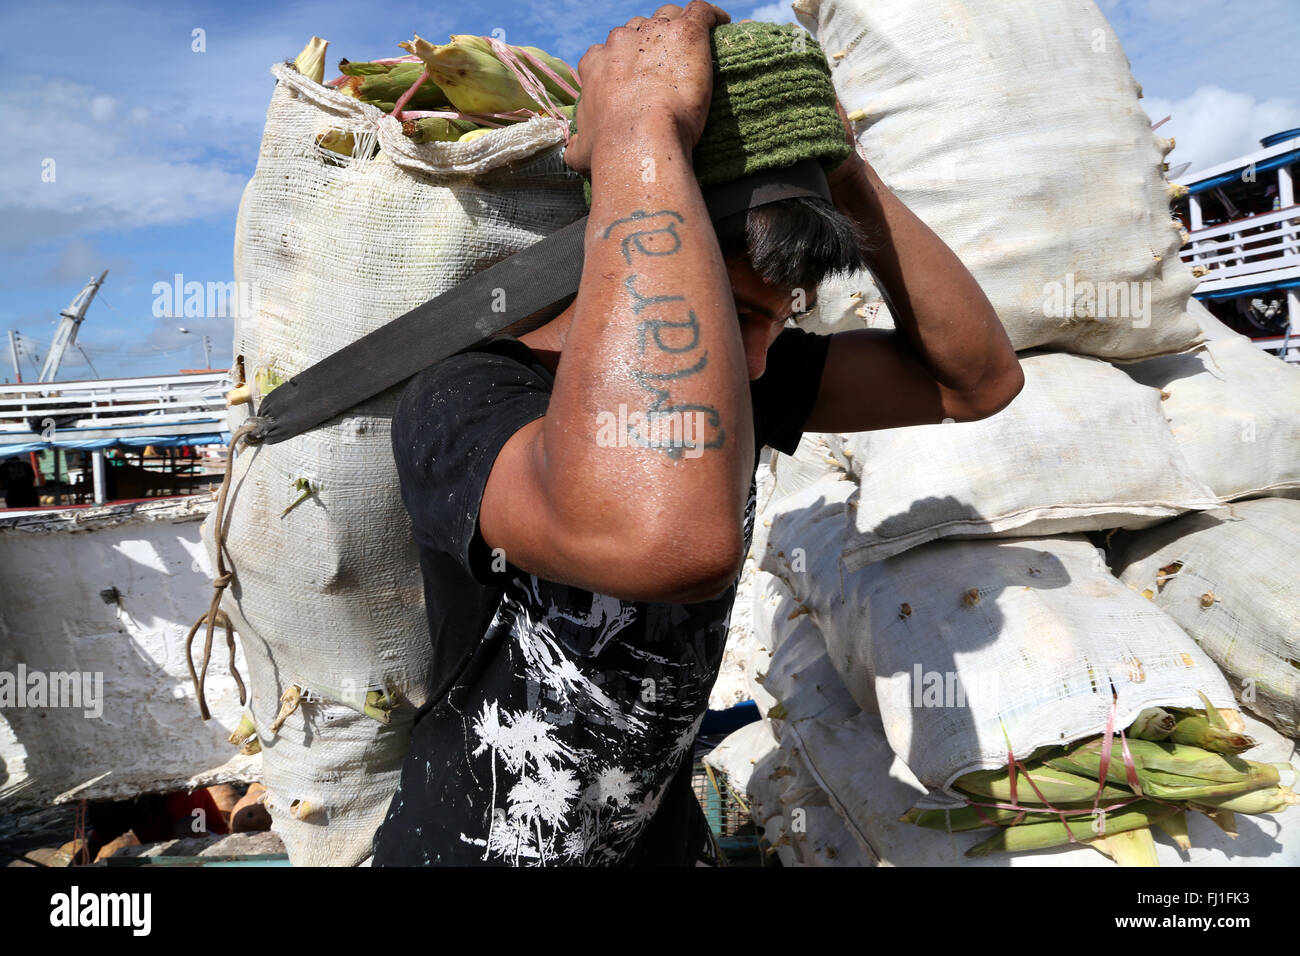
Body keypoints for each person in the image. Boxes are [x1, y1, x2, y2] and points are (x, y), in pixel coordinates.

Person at [372, 3, 1023, 866]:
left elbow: (972, 379)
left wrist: (832, 160)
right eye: (742, 315)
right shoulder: (468, 396)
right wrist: (639, 130)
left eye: (775, 321)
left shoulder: (747, 374)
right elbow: (669, 541)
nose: (756, 360)